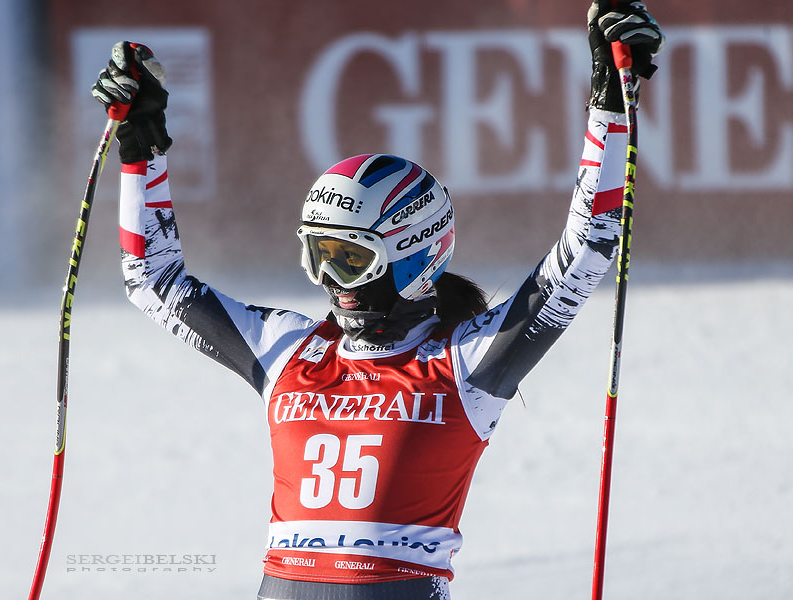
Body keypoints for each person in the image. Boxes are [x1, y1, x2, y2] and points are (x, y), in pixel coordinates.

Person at [91, 2, 663, 598]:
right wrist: (140, 148)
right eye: (319, 256)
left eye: (352, 258)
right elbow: (150, 277)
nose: (333, 281)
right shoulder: (286, 350)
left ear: (413, 255)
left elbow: (590, 245)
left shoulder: (468, 362)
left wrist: (611, 105)